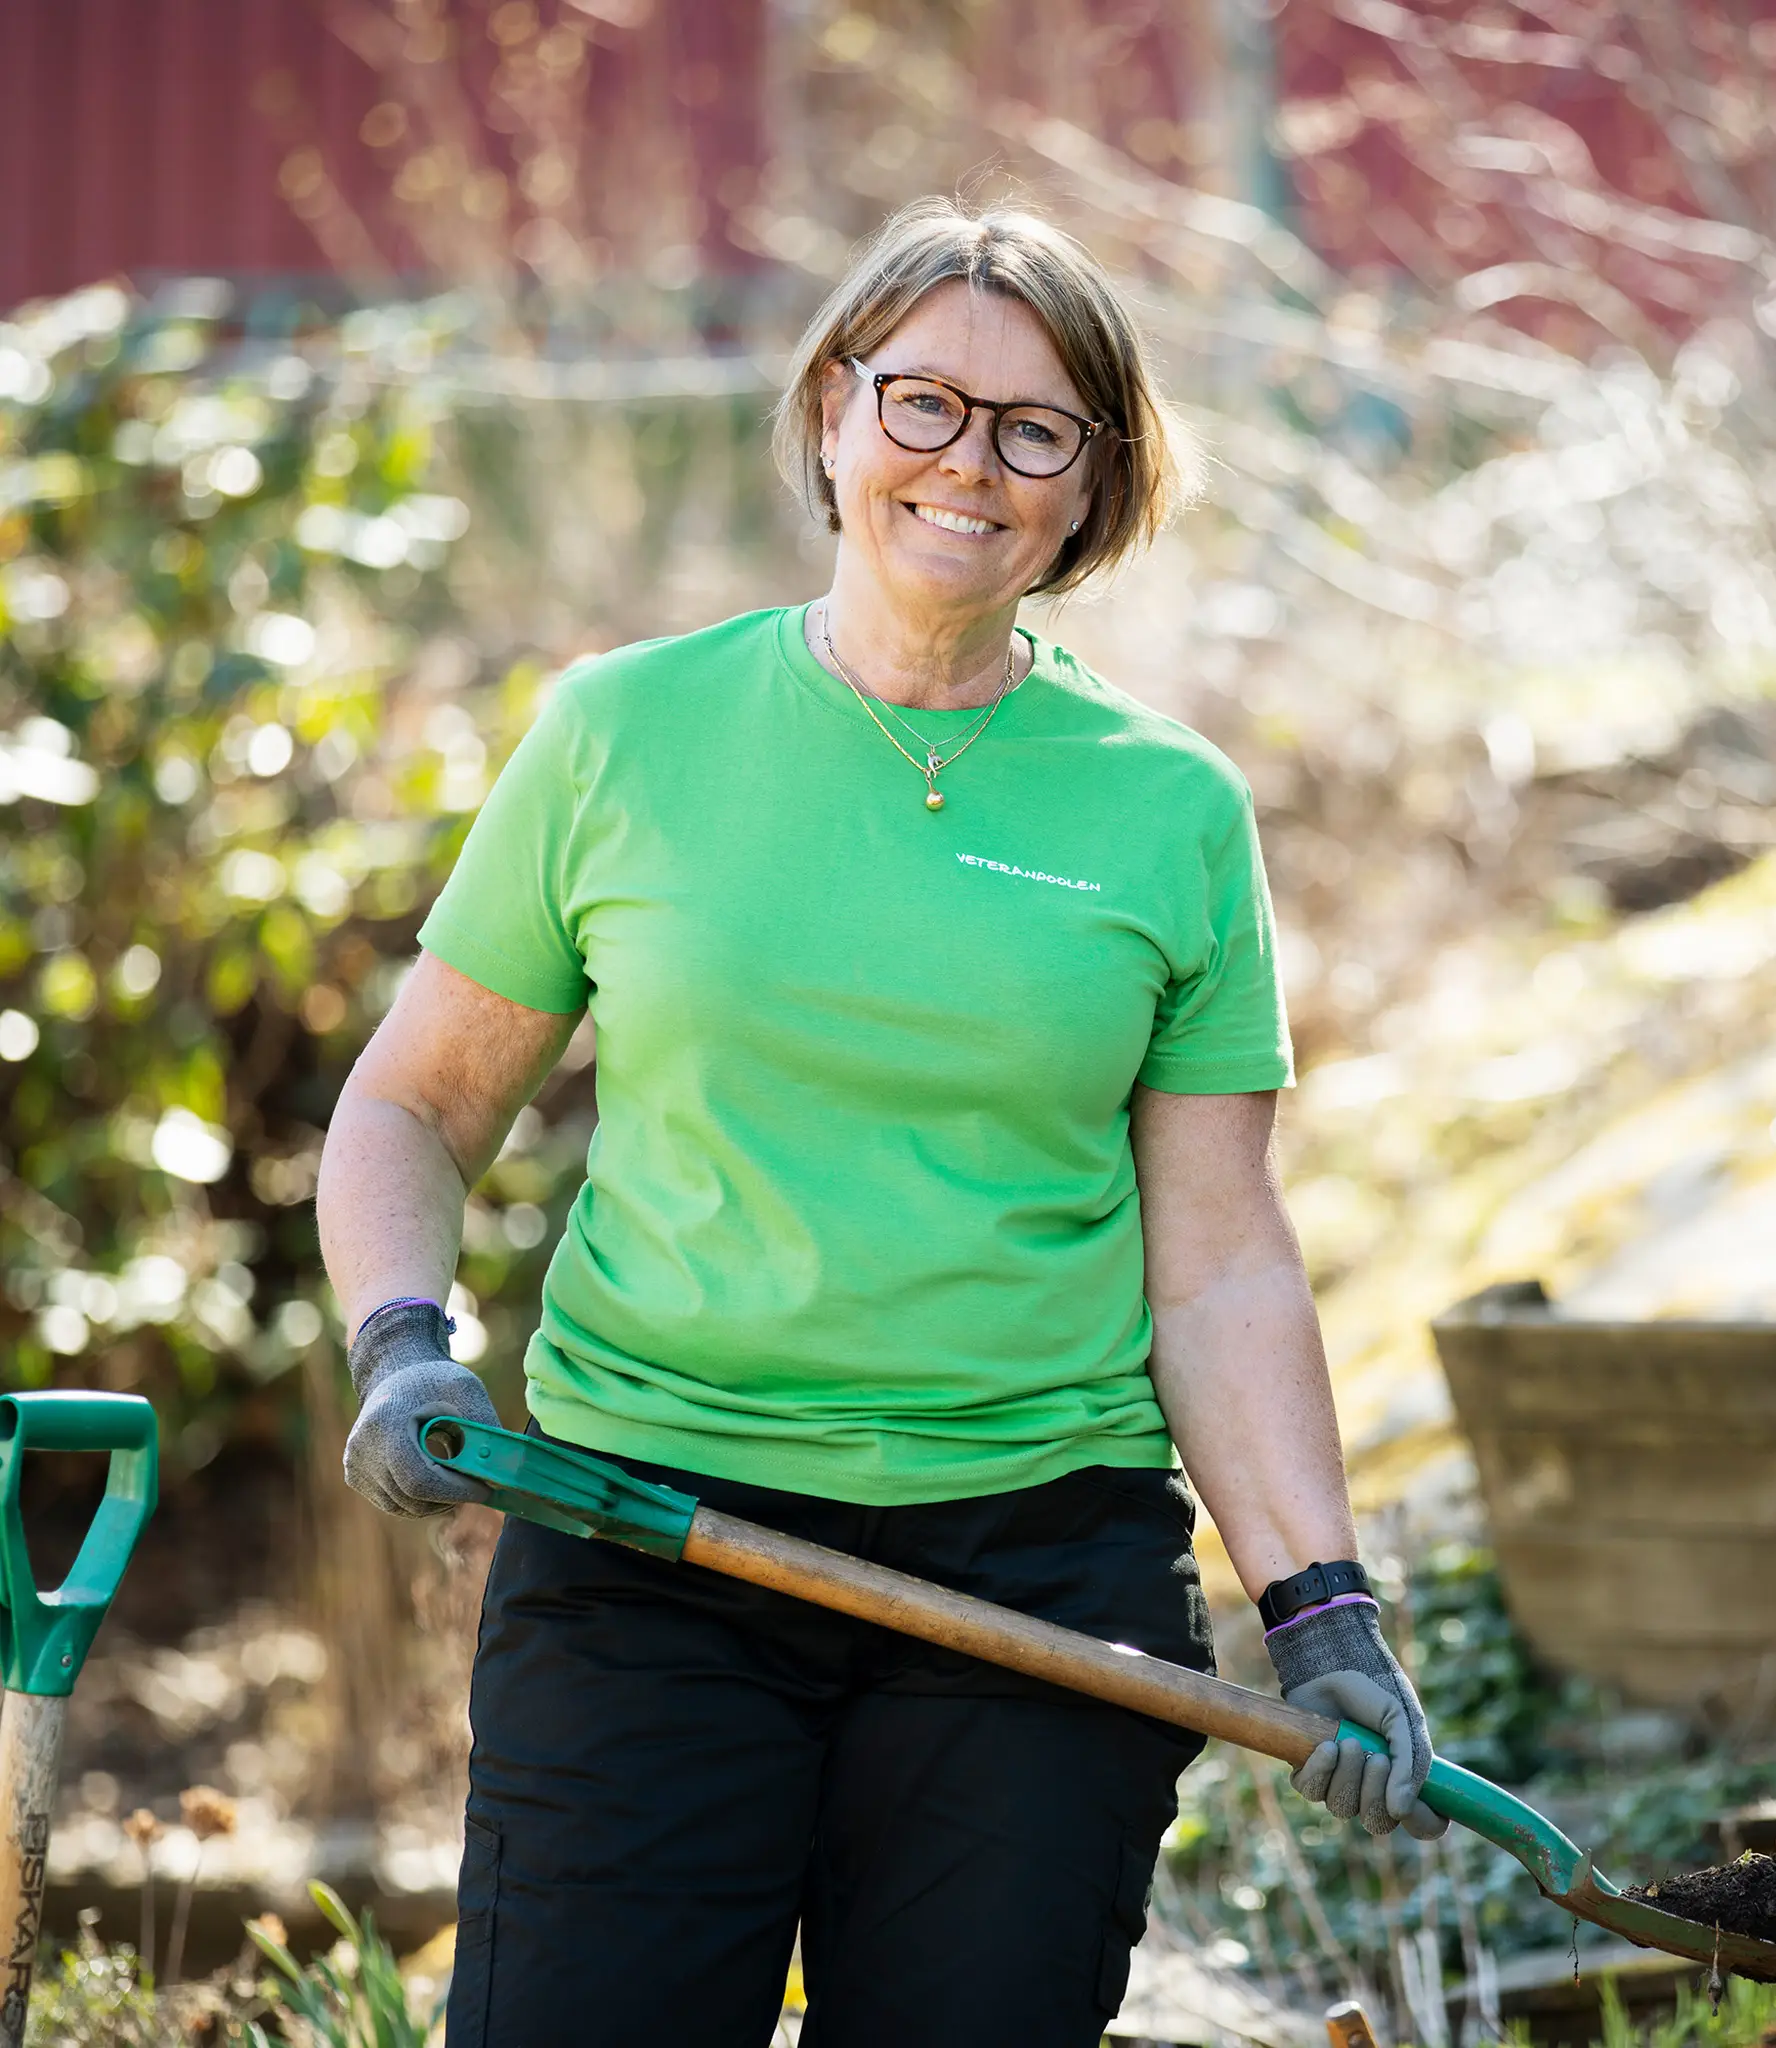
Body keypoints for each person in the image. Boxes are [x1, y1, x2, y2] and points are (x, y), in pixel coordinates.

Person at [316, 195, 1444, 2048]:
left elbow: (1220, 1253)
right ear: (836, 410)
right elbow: (412, 1111)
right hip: (644, 1543)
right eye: (924, 401)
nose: (968, 465)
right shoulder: (623, 734)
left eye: (1036, 429)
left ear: (1093, 486)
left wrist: (1318, 1604)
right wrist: (404, 1343)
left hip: (1039, 1574)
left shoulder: (1167, 809)